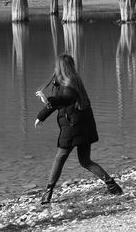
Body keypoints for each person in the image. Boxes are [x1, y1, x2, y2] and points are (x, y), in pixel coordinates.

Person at [35, 54, 123, 204]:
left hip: (73, 127)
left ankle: (47, 193)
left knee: (60, 157)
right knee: (85, 161)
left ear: (61, 68)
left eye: (57, 66)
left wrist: (47, 100)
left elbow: (64, 99)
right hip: (85, 126)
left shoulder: (69, 85)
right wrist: (41, 116)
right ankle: (113, 186)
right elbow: (58, 102)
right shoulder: (72, 81)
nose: (54, 68)